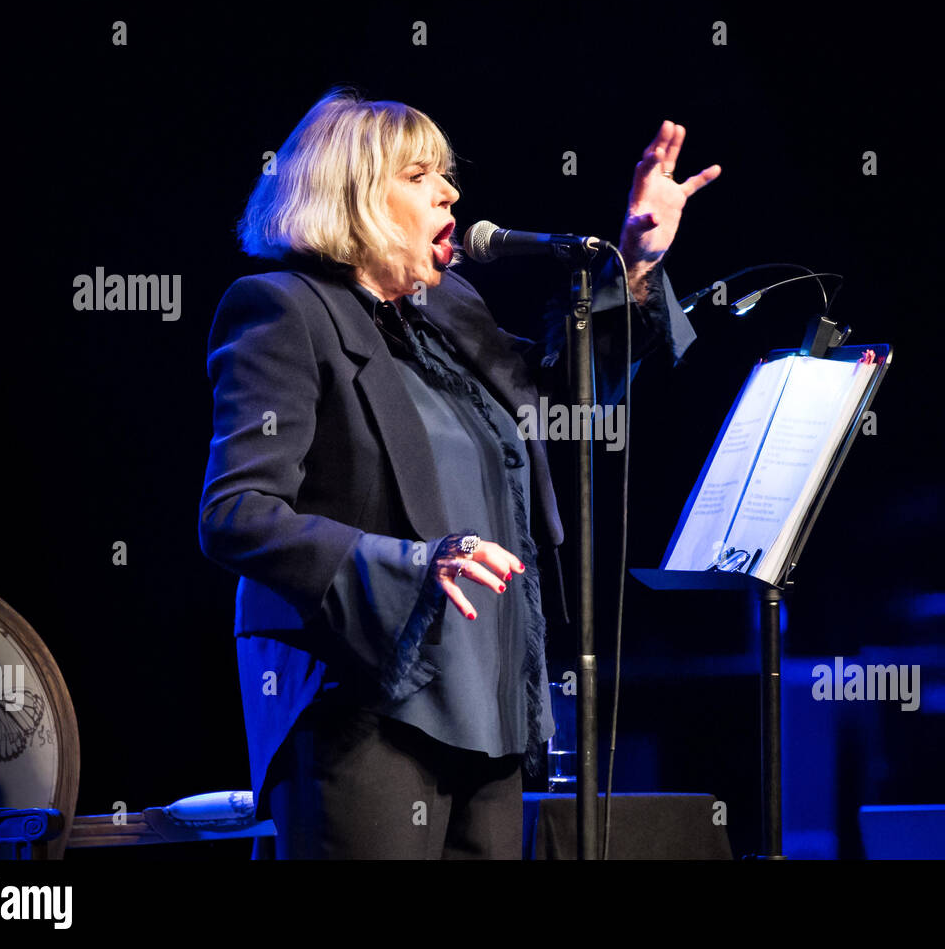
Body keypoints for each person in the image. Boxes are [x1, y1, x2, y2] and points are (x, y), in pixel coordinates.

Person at [198, 86, 719, 858]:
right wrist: (411, 563)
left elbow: (562, 398)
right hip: (363, 703)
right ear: (354, 196)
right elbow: (236, 512)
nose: (451, 192)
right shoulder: (282, 311)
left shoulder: (451, 311)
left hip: (489, 700)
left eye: (446, 175)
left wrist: (635, 264)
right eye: (420, 175)